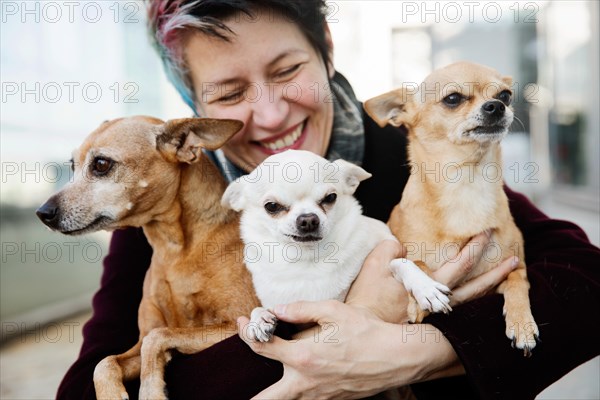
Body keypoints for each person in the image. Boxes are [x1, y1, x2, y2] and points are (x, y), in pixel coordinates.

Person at [57, 1, 600, 399]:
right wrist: (340, 335)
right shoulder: (165, 216)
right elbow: (83, 390)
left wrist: (413, 350)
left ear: (327, 54)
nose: (271, 115)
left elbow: (586, 282)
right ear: (196, 113)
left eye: (287, 70)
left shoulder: (418, 152)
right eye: (228, 94)